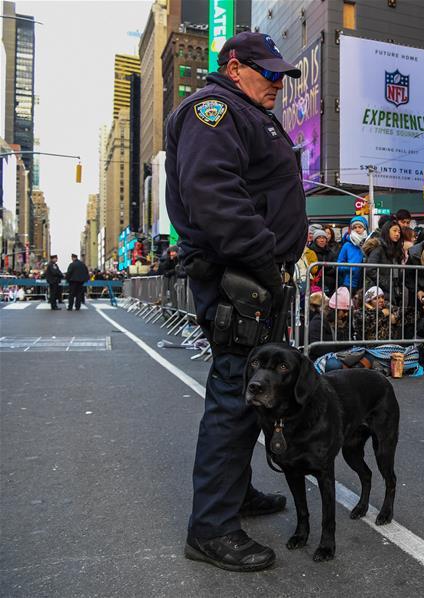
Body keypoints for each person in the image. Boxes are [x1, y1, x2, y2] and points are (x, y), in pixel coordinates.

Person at [164, 31, 306, 572]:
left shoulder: (243, 112)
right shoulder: (214, 112)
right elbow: (215, 197)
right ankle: (211, 529)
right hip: (240, 279)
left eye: (282, 76)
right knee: (234, 394)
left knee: (251, 392)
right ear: (234, 65)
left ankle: (236, 495)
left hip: (252, 277)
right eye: (267, 73)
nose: (277, 83)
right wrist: (267, 263)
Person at [337, 216, 369, 292]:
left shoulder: (370, 243)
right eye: (355, 227)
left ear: (365, 229)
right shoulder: (347, 245)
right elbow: (338, 265)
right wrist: (351, 268)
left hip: (366, 283)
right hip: (350, 283)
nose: (357, 229)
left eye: (360, 227)